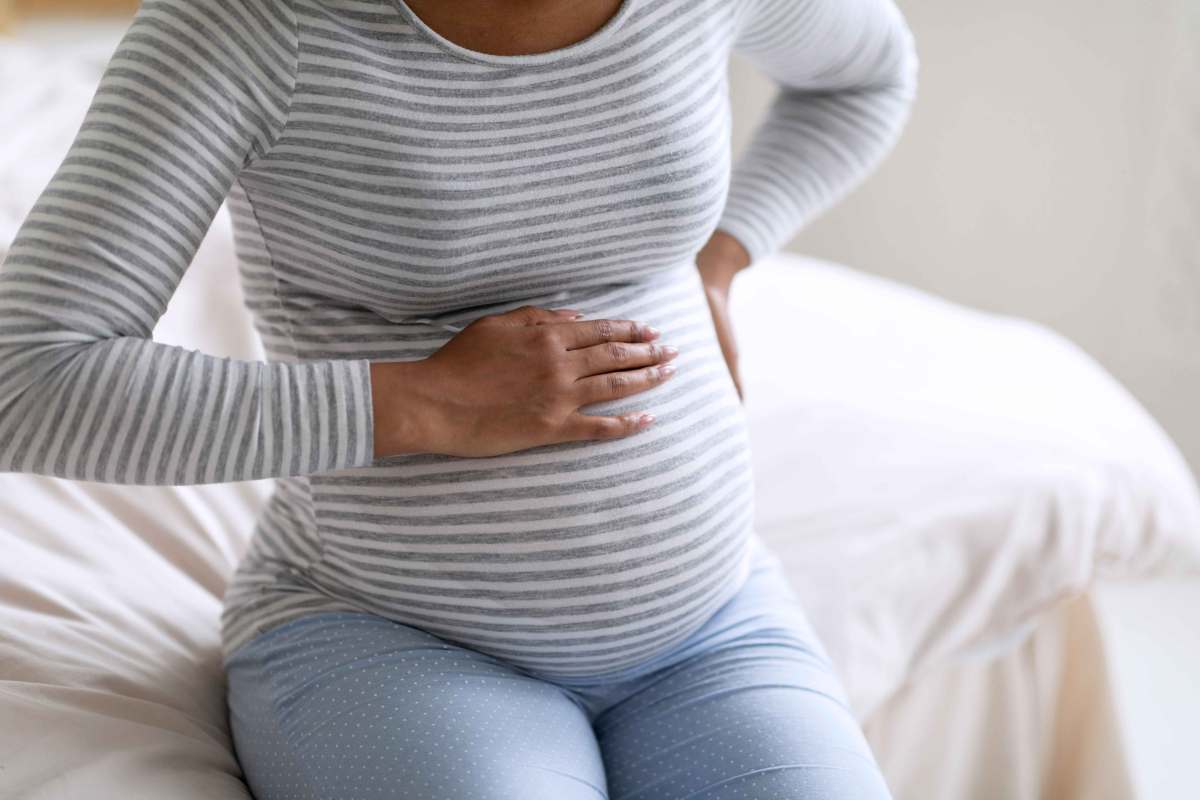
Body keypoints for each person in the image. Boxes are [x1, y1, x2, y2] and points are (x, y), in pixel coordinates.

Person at [0, 0, 919, 796]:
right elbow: (27, 378)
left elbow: (867, 75)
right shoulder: (252, 25)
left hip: (711, 619)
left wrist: (721, 258)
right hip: (391, 635)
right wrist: (426, 402)